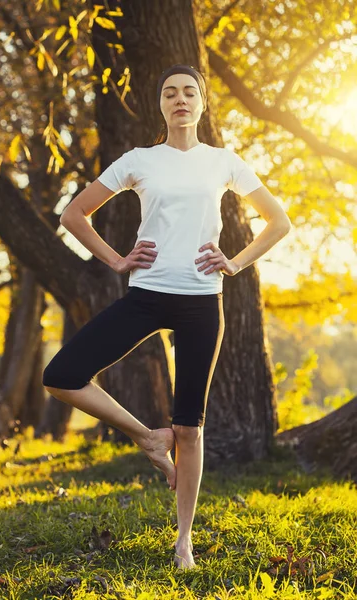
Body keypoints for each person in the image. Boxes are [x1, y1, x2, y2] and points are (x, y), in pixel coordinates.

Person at [42, 64, 292, 570]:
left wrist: (235, 262)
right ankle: (145, 436)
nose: (180, 100)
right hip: (148, 294)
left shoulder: (224, 161)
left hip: (203, 298)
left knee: (191, 428)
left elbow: (279, 221)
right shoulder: (139, 160)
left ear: (202, 104)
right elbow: (73, 214)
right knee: (62, 375)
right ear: (160, 105)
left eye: (189, 92)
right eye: (170, 93)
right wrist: (117, 260)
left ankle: (184, 542)